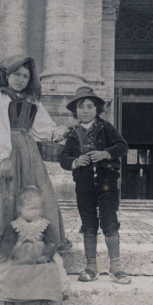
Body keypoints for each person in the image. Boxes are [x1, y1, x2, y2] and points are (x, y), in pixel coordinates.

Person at [0, 55, 71, 256]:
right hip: (4, 150)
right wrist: (4, 157)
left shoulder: (33, 102)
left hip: (27, 150)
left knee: (33, 191)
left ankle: (32, 237)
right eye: (17, 75)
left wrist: (60, 131)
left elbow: (42, 129)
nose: (21, 79)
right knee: (3, 191)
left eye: (25, 76)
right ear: (7, 76)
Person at [59, 86, 131, 284]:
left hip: (107, 183)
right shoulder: (72, 133)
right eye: (81, 107)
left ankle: (116, 267)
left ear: (97, 109)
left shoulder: (106, 127)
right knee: (89, 223)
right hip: (84, 185)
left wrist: (105, 153)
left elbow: (123, 146)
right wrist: (75, 162)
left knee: (109, 221)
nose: (85, 110)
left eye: (90, 106)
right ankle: (91, 267)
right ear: (75, 111)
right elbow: (63, 157)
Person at [0, 186, 70, 305]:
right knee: (9, 274)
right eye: (30, 209)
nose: (34, 212)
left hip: (40, 259)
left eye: (38, 208)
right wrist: (11, 253)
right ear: (20, 209)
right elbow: (6, 243)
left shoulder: (45, 225)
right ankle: (8, 304)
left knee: (49, 272)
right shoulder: (14, 226)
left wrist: (47, 254)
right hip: (19, 259)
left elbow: (52, 242)